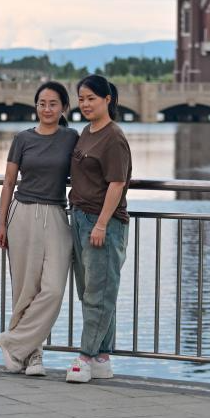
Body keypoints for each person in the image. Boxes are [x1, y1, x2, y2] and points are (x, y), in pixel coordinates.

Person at [0, 81, 79, 376]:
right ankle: (32, 356)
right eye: (42, 103)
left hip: (56, 214)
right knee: (24, 289)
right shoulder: (22, 139)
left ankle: (12, 342)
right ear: (36, 107)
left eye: (53, 104)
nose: (47, 109)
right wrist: (2, 222)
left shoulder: (71, 138)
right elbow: (8, 182)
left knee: (54, 288)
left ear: (64, 108)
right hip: (23, 214)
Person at [66, 75, 132, 384]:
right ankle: (102, 356)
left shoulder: (113, 137)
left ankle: (85, 356)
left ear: (108, 99)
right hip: (79, 217)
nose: (85, 104)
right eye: (81, 98)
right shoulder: (86, 132)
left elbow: (117, 183)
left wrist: (103, 223)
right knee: (91, 291)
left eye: (91, 98)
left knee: (99, 292)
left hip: (102, 222)